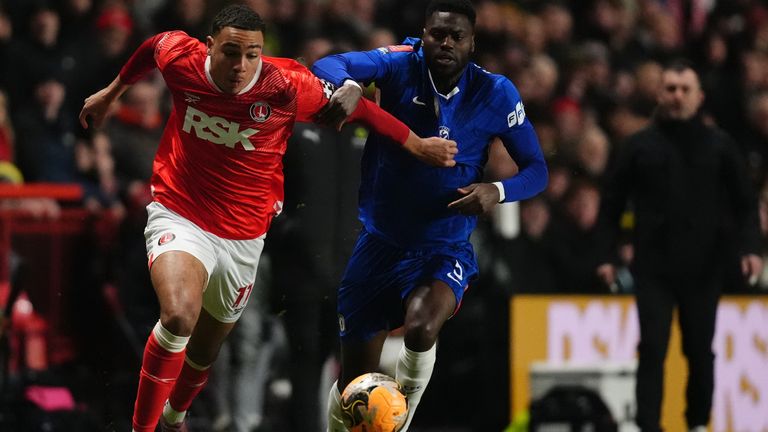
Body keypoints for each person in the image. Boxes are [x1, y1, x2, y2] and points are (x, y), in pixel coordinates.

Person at [78, 5, 458, 432]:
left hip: (243, 234)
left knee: (204, 351)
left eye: (252, 54)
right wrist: (111, 92)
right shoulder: (182, 58)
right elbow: (152, 47)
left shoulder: (286, 85)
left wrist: (417, 145)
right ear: (209, 47)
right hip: (180, 210)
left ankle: (175, 415)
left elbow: (362, 112)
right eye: (231, 52)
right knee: (178, 317)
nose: (241, 65)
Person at [311, 1, 548, 429]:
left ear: (472, 42)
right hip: (380, 244)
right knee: (355, 388)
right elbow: (326, 64)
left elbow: (537, 171)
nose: (446, 43)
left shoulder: (496, 93)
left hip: (445, 246)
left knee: (422, 327)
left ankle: (402, 421)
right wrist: (347, 85)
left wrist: (497, 190)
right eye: (437, 34)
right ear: (424, 34)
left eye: (456, 36)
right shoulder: (400, 64)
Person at [595, 60, 763, 432]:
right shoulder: (638, 146)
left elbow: (745, 204)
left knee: (700, 351)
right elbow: (611, 204)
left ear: (699, 97)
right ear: (659, 94)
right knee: (652, 349)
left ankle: (698, 423)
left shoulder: (720, 146)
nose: (677, 96)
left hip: (705, 268)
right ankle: (647, 426)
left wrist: (751, 248)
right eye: (670, 89)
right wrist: (606, 254)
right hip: (653, 267)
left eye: (685, 89)